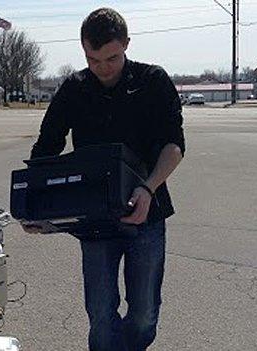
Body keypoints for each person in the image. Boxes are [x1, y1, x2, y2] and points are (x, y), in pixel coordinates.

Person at [24, 8, 185, 351]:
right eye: (93, 59)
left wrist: (147, 188)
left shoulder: (152, 81)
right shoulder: (75, 88)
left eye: (111, 57)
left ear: (126, 44)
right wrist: (36, 208)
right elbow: (47, 147)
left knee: (143, 314)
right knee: (100, 311)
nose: (103, 68)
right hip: (94, 216)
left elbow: (174, 146)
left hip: (147, 211)